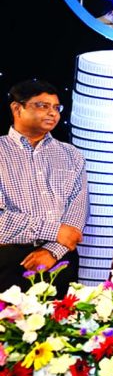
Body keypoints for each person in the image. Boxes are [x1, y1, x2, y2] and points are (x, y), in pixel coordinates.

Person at [0, 80, 86, 298]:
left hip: (60, 260)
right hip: (9, 260)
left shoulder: (71, 154)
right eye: (42, 106)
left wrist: (53, 251)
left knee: (64, 329)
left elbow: (77, 212)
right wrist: (55, 231)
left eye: (56, 108)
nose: (52, 113)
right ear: (17, 108)